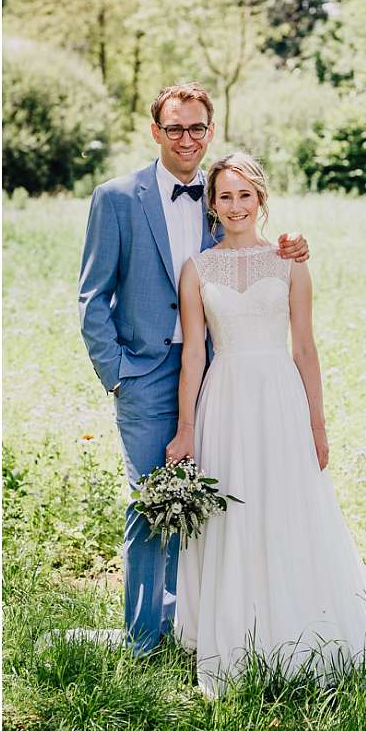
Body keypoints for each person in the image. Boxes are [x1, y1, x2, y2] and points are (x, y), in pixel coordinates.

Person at [172, 151, 366, 693]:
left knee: (286, 507)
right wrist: (186, 428)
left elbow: (305, 349)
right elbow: (194, 354)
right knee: (231, 512)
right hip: (225, 398)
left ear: (261, 199)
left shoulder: (289, 262)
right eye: (225, 196)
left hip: (279, 398)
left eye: (245, 195)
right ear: (211, 205)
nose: (235, 206)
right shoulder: (197, 269)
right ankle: (237, 637)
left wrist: (318, 424)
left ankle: (299, 628)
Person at [77, 83, 308, 653]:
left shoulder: (219, 193)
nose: (187, 138)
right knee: (153, 501)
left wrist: (291, 244)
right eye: (175, 128)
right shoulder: (116, 198)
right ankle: (142, 641)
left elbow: (246, 246)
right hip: (148, 373)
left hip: (221, 371)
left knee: (217, 500)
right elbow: (92, 298)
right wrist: (119, 374)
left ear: (211, 130)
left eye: (197, 128)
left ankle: (202, 625)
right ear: (155, 131)